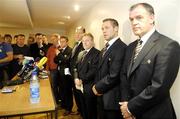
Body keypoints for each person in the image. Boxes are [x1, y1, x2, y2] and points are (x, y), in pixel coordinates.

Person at [120, 3, 180, 119]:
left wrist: (130, 107)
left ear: (152, 18)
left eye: (139, 17)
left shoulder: (168, 45)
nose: (134, 22)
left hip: (155, 113)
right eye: (131, 19)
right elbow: (124, 77)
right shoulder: (130, 47)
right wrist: (125, 104)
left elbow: (159, 87)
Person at [92, 18, 126, 119]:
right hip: (100, 96)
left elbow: (114, 75)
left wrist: (97, 87)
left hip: (111, 99)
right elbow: (99, 71)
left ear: (116, 29)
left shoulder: (121, 47)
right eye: (102, 28)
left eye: (107, 28)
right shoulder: (103, 49)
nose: (104, 31)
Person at [75, 33, 100, 119]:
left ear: (92, 42)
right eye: (83, 41)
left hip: (89, 87)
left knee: (91, 110)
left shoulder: (97, 53)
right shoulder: (81, 53)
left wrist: (82, 80)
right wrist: (76, 78)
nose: (84, 43)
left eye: (87, 41)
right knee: (83, 109)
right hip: (79, 86)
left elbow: (94, 70)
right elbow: (75, 68)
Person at [54, 36, 73, 116]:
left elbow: (67, 61)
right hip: (59, 74)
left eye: (63, 41)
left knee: (67, 91)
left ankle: (69, 108)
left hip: (66, 75)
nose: (61, 43)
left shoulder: (70, 50)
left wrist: (60, 56)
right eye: (60, 41)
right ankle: (63, 105)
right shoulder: (60, 50)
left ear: (67, 42)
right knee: (61, 90)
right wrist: (59, 56)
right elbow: (55, 60)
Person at [70, 26, 85, 115]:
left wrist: (78, 76)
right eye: (76, 32)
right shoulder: (76, 44)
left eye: (79, 32)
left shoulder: (83, 44)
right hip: (73, 74)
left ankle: (83, 113)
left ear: (83, 34)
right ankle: (79, 111)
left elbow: (80, 63)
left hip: (79, 76)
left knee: (80, 95)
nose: (77, 34)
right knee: (76, 95)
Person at [46, 33, 61, 105]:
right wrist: (47, 69)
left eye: (53, 39)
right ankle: (56, 101)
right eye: (51, 40)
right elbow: (47, 59)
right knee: (54, 86)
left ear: (58, 39)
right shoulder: (50, 48)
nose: (52, 41)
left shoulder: (62, 47)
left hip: (60, 70)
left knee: (61, 85)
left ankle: (62, 99)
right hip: (52, 70)